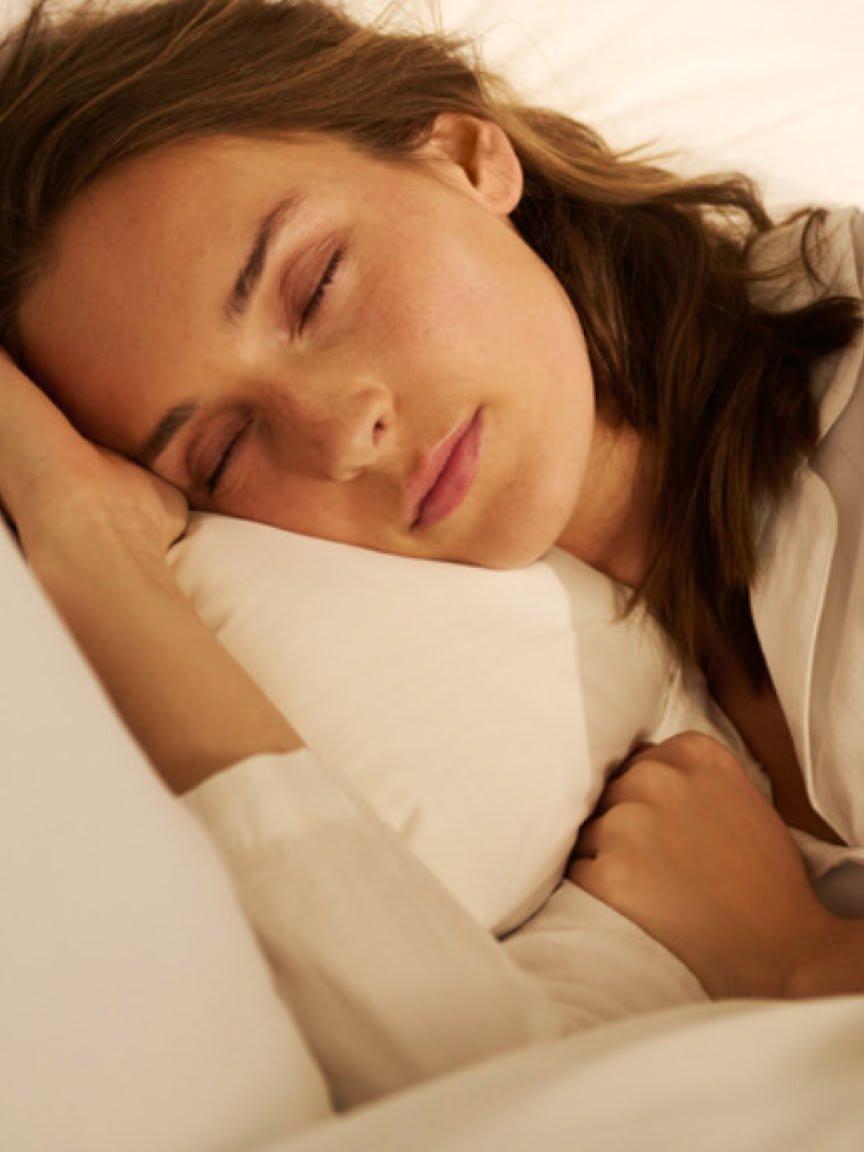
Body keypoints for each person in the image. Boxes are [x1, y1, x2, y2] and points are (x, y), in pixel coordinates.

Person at [1, 0, 863, 1109]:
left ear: (463, 152)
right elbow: (482, 1097)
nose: (337, 429)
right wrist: (91, 552)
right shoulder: (613, 749)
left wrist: (795, 959)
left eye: (314, 287)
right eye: (221, 449)